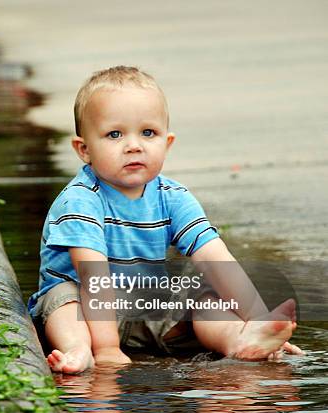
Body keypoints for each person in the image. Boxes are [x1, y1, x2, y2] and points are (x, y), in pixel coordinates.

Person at [27, 66, 303, 374]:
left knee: (202, 295)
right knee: (62, 298)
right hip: (86, 317)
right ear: (84, 149)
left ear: (167, 143)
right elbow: (93, 277)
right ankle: (78, 351)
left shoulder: (172, 196)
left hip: (143, 308)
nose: (134, 145)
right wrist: (107, 349)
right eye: (114, 134)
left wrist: (256, 317)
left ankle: (239, 337)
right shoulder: (81, 200)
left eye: (148, 133)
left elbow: (215, 258)